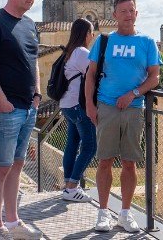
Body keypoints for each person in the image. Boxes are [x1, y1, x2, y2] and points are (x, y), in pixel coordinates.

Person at [84, 0, 161, 233]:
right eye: (123, 11)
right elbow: (90, 74)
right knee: (105, 161)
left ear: (137, 14)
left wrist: (134, 93)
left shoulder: (147, 43)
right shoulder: (104, 41)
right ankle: (103, 213)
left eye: (131, 10)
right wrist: (89, 104)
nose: (128, 15)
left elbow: (155, 77)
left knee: (129, 164)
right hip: (106, 107)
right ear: (115, 15)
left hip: (134, 109)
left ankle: (125, 214)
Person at [0, 0, 43, 240]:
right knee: (0, 166)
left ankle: (13, 221)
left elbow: (34, 61)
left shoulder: (29, 25)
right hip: (5, 109)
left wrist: (37, 93)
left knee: (16, 165)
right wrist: (2, 101)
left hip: (28, 107)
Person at [59, 18, 97, 202]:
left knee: (72, 144)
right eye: (91, 32)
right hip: (78, 105)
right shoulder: (82, 53)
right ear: (85, 34)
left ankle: (68, 185)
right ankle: (73, 187)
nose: (93, 36)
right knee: (90, 146)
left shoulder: (70, 52)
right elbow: (95, 74)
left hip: (67, 105)